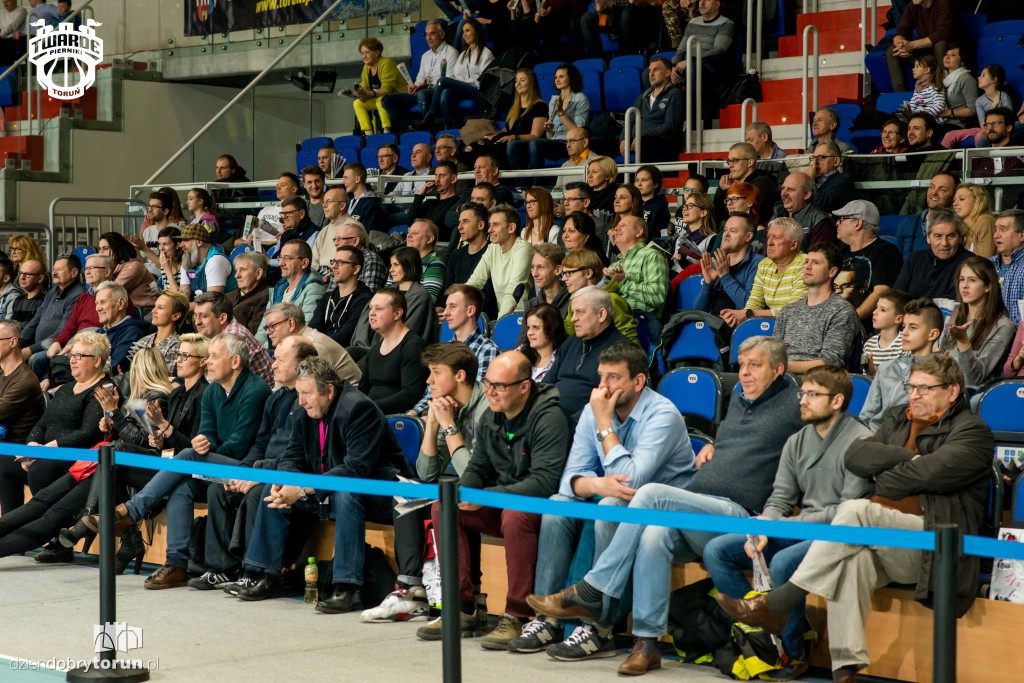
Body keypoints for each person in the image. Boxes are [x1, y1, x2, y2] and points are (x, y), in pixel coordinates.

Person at [528, 336, 802, 675]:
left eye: (755, 366)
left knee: (648, 494)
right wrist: (714, 447)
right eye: (742, 365)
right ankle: (647, 643)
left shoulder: (794, 404)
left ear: (779, 370)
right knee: (653, 534)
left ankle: (594, 589)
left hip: (737, 514)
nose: (744, 372)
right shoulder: (739, 399)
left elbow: (830, 426)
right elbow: (745, 444)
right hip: (697, 509)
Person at [717, 355, 992, 683]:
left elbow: (928, 474)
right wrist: (909, 458)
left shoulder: (972, 432)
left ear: (952, 391)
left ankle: (779, 602)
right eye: (911, 387)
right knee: (850, 563)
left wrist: (886, 474)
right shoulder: (897, 418)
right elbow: (857, 456)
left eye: (925, 388)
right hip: (881, 542)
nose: (915, 394)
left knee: (856, 509)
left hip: (932, 545)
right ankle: (845, 672)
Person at [513, 342, 695, 657]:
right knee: (557, 505)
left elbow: (632, 480)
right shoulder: (594, 408)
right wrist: (596, 483)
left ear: (638, 381)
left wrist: (604, 425)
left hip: (663, 513)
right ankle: (548, 618)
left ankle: (599, 628)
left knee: (610, 507)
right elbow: (570, 479)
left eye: (614, 378)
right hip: (617, 496)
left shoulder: (663, 414)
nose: (603, 387)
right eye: (601, 377)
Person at [702, 365, 873, 677]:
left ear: (837, 401)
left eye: (812, 395)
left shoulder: (861, 441)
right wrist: (766, 525)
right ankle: (764, 634)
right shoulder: (797, 440)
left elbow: (849, 510)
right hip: (799, 528)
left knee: (783, 562)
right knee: (717, 550)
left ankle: (793, 652)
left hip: (837, 534)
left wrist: (790, 524)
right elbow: (780, 497)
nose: (802, 401)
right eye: (802, 393)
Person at [81, 333, 272, 589]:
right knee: (182, 486)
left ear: (235, 361)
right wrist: (203, 444)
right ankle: (176, 564)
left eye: (215, 356)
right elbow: (206, 433)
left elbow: (239, 447)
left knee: (190, 456)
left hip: (245, 470)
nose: (208, 362)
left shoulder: (255, 390)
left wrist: (202, 451)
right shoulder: (213, 390)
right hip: (215, 468)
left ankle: (132, 510)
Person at [419, 350, 570, 647]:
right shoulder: (491, 415)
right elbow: (478, 468)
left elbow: (543, 483)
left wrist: (486, 497)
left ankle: (516, 615)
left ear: (524, 386)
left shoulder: (549, 417)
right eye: (487, 383)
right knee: (444, 507)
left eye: (499, 386)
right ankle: (463, 607)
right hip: (501, 500)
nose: (489, 391)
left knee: (515, 514)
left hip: (541, 507)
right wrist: (466, 492)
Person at [0, 349, 172, 564]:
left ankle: (91, 519)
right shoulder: (135, 398)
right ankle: (119, 533)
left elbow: (140, 443)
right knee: (40, 502)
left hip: (121, 469)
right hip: (100, 465)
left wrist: (115, 415)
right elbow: (124, 436)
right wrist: (110, 424)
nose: (128, 372)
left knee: (52, 513)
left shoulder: (157, 399)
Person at [186, 335, 314, 590]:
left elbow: (299, 454)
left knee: (258, 494)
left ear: (301, 365)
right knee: (219, 490)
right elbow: (260, 443)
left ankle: (255, 571)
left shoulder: (307, 402)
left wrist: (259, 473)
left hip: (287, 474)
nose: (273, 364)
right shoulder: (276, 399)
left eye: (280, 360)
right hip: (262, 469)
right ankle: (222, 569)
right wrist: (244, 471)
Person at [0, 333, 110, 516]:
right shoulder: (66, 388)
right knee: (3, 462)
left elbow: (88, 433)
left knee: (40, 469)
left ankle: (43, 524)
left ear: (97, 360)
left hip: (75, 456)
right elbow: (42, 423)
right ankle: (9, 523)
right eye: (71, 355)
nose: (72, 360)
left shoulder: (104, 390)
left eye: (79, 356)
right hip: (46, 452)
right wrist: (32, 446)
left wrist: (46, 450)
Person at [544, 287, 631, 428]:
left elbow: (609, 403)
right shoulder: (570, 344)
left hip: (584, 427)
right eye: (573, 312)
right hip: (549, 421)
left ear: (601, 314)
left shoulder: (621, 351)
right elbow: (546, 385)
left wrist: (563, 425)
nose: (573, 319)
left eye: (579, 312)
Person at [411, 284, 498, 415]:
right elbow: (430, 394)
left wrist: (435, 413)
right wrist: (413, 414)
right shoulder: (444, 349)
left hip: (462, 418)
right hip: (432, 413)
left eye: (452, 306)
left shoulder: (487, 350)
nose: (446, 313)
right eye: (446, 306)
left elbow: (477, 399)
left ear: (470, 311)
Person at [772, 243, 859, 374]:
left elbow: (830, 363)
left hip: (817, 380)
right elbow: (774, 353)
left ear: (832, 272)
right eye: (806, 261)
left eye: (816, 263)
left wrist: (781, 366)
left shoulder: (842, 311)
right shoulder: (788, 310)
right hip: (780, 376)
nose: (807, 267)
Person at [860, 297, 943, 432]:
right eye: (904, 327)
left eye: (913, 327)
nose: (904, 333)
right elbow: (866, 417)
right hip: (878, 437)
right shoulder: (887, 368)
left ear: (932, 334)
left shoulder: (943, 371)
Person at [940, 256, 1015, 388]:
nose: (964, 285)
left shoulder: (1003, 325)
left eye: (972, 280)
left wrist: (963, 342)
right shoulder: (954, 314)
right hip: (942, 386)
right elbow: (941, 358)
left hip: (972, 393)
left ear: (988, 287)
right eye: (961, 279)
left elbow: (974, 379)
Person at [509, 63, 588, 187]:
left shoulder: (580, 98)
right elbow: (550, 136)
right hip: (554, 142)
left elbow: (578, 132)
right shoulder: (554, 100)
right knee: (513, 145)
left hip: (569, 143)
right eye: (556, 77)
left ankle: (537, 186)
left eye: (561, 76)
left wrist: (561, 113)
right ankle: (521, 187)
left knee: (535, 143)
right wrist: (549, 130)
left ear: (571, 78)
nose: (557, 80)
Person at [721, 217, 808, 327]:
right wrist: (738, 317)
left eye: (776, 237)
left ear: (793, 245)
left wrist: (748, 314)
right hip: (770, 327)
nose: (769, 243)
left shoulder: (806, 265)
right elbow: (754, 303)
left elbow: (794, 311)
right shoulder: (765, 264)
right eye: (768, 237)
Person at [357, 289, 429, 414]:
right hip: (371, 416)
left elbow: (411, 395)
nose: (371, 313)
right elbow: (362, 390)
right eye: (371, 308)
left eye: (379, 309)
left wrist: (370, 408)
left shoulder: (414, 347)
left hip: (396, 419)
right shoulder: (374, 350)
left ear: (397, 314)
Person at [833, 199, 905, 325]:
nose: (837, 223)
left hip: (863, 326)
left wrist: (851, 320)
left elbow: (881, 291)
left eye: (842, 219)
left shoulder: (886, 252)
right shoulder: (840, 253)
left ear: (858, 223)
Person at [0, 321, 46, 513]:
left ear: (12, 342)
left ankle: (9, 525)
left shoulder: (24, 381)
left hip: (18, 452)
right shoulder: (2, 374)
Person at [380, 20, 459, 133]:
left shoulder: (451, 52)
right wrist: (414, 86)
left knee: (422, 93)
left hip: (438, 91)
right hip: (423, 91)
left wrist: (425, 86)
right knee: (386, 101)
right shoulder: (425, 56)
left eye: (432, 34)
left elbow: (449, 80)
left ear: (442, 35)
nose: (428, 38)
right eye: (426, 34)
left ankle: (429, 129)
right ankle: (412, 129)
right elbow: (420, 79)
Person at [261, 302, 362, 387]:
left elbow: (310, 389)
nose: (267, 332)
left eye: (272, 326)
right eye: (266, 328)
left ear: (291, 324)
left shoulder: (313, 346)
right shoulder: (290, 346)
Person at [464, 68, 546, 169]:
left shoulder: (539, 106)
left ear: (532, 83)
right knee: (470, 148)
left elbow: (535, 135)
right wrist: (494, 135)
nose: (518, 84)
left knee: (489, 150)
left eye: (522, 80)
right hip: (508, 140)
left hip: (521, 144)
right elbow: (509, 129)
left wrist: (515, 137)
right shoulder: (514, 107)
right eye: (516, 81)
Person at [420, 18, 494, 129]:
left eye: (468, 31)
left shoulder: (486, 53)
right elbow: (456, 74)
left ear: (477, 31)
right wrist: (460, 82)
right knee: (446, 92)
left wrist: (462, 81)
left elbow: (481, 81)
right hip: (464, 88)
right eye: (463, 32)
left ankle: (431, 114)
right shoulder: (463, 54)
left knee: (442, 80)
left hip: (478, 91)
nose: (465, 35)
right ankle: (448, 127)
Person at [668, 0, 735, 121]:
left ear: (717, 4)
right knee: (656, 72)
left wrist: (691, 60)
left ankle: (697, 119)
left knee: (693, 69)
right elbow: (681, 50)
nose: (702, 3)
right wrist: (672, 66)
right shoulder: (693, 22)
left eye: (707, 0)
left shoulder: (726, 23)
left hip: (711, 67)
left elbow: (718, 50)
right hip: (689, 65)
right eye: (700, 0)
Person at [465, 205, 534, 319]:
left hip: (523, 316)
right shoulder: (492, 248)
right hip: (504, 316)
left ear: (511, 228)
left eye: (496, 225)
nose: (489, 230)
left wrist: (499, 323)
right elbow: (475, 281)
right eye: (490, 225)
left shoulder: (523, 248)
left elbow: (513, 289)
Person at [193, 292, 275, 386]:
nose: (197, 322)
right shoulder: (223, 333)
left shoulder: (233, 338)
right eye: (195, 316)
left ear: (222, 318)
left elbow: (217, 383)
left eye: (203, 316)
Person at [254, 239, 325, 347]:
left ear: (304, 263)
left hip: (293, 349)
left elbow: (306, 331)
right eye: (280, 258)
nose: (281, 263)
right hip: (272, 348)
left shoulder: (313, 289)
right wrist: (255, 348)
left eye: (287, 258)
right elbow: (263, 330)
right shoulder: (278, 289)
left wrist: (265, 348)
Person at [694, 212, 764, 316]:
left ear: (748, 237)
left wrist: (725, 276)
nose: (726, 235)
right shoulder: (717, 263)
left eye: (733, 231)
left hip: (738, 325)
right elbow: (699, 311)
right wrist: (708, 283)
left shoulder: (759, 264)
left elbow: (749, 307)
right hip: (712, 323)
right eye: (725, 230)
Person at [561, 250, 638, 344]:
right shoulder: (575, 300)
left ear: (588, 273)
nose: (564, 278)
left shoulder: (612, 300)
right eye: (563, 274)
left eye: (569, 273)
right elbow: (571, 334)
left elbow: (629, 342)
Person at [892, 207, 971, 300]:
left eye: (950, 236)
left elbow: (950, 303)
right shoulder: (914, 259)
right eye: (938, 236)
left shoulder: (969, 263)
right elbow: (896, 297)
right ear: (928, 238)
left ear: (960, 238)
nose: (944, 243)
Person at [18, 254, 83, 361]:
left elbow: (63, 330)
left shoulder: (79, 295)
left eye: (59, 269)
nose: (54, 273)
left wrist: (31, 350)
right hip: (38, 346)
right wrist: (18, 342)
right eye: (53, 269)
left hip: (57, 347)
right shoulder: (52, 292)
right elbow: (34, 322)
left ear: (74, 273)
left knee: (35, 359)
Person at [619, 58, 683, 163]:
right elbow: (630, 121)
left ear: (667, 73)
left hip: (661, 140)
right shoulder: (643, 97)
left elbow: (670, 125)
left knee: (644, 143)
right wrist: (623, 139)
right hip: (639, 138)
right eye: (650, 70)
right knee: (601, 144)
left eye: (656, 70)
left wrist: (642, 135)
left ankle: (644, 173)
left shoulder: (674, 94)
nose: (651, 74)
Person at [605, 215, 668, 321]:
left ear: (638, 232)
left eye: (623, 225)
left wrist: (623, 283)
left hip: (639, 322)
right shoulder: (613, 265)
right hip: (611, 320)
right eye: (617, 226)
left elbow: (657, 296)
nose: (616, 229)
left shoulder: (651, 256)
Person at [309, 245, 373, 348]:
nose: (334, 266)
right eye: (333, 262)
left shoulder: (364, 299)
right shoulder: (327, 297)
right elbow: (313, 328)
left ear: (356, 269)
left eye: (340, 262)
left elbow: (346, 335)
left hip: (342, 352)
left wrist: (319, 346)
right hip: (318, 348)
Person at [886, 0, 953, 93]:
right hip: (926, 53)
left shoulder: (944, 3)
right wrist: (900, 44)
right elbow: (901, 30)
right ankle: (900, 95)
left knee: (940, 45)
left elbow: (943, 33)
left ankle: (946, 92)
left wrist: (912, 45)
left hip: (948, 51)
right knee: (893, 51)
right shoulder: (912, 6)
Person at [714, 142, 778, 226]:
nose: (730, 165)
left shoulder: (763, 183)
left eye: (735, 160)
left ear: (750, 162)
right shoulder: (735, 185)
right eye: (729, 161)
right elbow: (717, 214)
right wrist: (722, 189)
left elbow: (743, 214)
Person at [895, 171, 957, 258]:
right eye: (931, 187)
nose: (934, 192)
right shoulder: (907, 224)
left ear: (954, 196)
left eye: (942, 190)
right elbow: (897, 260)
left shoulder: (959, 226)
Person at [126, 290, 187, 372]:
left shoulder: (177, 345)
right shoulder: (143, 341)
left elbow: (165, 377)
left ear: (175, 316)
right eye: (155, 306)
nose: (153, 311)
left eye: (160, 308)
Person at [772, 172, 836, 249]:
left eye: (790, 189)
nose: (783, 193)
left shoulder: (819, 222)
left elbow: (818, 255)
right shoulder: (777, 213)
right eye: (783, 188)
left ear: (806, 194)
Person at [92, 281, 144, 376]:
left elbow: (113, 367)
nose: (97, 308)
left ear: (120, 303)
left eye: (103, 302)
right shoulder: (98, 332)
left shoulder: (131, 333)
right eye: (96, 303)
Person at [176, 224, 238, 302]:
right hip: (202, 306)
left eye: (186, 240)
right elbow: (184, 294)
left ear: (199, 242)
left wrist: (184, 307)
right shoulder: (187, 259)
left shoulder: (216, 261)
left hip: (226, 308)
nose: (181, 245)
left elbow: (212, 301)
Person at [351, 37, 400, 134]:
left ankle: (387, 131)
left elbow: (387, 90)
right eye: (362, 53)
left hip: (398, 97)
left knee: (381, 100)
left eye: (367, 52)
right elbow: (364, 88)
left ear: (377, 53)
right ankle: (368, 133)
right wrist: (354, 92)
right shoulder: (366, 67)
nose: (364, 56)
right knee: (357, 103)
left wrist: (370, 94)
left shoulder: (387, 63)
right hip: (378, 98)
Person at [98, 232, 159, 309]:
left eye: (105, 248)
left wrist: (109, 266)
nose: (101, 253)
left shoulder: (133, 267)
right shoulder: (116, 266)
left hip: (146, 310)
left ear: (116, 249)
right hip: (132, 310)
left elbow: (108, 293)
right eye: (100, 249)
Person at [410, 163, 462, 254]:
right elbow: (410, 221)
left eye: (441, 176)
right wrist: (420, 196)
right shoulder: (429, 202)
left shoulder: (458, 202)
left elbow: (439, 225)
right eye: (436, 176)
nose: (437, 180)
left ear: (453, 179)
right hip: (420, 248)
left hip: (440, 249)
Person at [442, 202, 491, 298]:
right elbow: (447, 290)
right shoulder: (456, 255)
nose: (459, 227)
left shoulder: (493, 253)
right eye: (459, 222)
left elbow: (489, 294)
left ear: (481, 225)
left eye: (465, 221)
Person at [861, 290, 911, 377]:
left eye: (883, 310)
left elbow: (902, 379)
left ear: (898, 319)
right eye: (876, 307)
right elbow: (865, 377)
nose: (874, 312)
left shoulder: (905, 344)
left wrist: (875, 374)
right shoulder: (869, 344)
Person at [991, 209, 1024, 327]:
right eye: (995, 229)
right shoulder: (989, 264)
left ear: (1021, 235)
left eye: (1003, 229)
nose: (996, 235)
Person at [671, 191, 717, 273]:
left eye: (690, 206)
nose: (684, 209)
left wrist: (684, 263)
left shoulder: (712, 239)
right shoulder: (679, 238)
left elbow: (711, 271)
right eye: (684, 206)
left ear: (703, 212)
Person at [226, 250, 270, 335]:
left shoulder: (266, 297)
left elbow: (251, 333)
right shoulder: (229, 295)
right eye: (236, 270)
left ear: (258, 273)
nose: (236, 275)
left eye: (243, 270)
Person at [970, 108, 1024, 177]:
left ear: (1008, 127)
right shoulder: (980, 156)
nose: (990, 128)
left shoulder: (1017, 155)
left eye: (996, 123)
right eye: (987, 124)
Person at [404, 219, 447, 304]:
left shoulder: (435, 263)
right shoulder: (401, 261)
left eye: (415, 233)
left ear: (430, 239)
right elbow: (386, 291)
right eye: (409, 232)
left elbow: (428, 300)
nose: (408, 235)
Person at [311, 187, 351, 278]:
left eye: (329, 202)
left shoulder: (352, 229)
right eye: (323, 202)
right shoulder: (324, 230)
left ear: (342, 206)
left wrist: (329, 277)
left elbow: (349, 264)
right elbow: (313, 263)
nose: (324, 205)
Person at [805, 140, 855, 214]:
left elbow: (819, 205)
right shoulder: (816, 180)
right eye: (814, 158)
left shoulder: (843, 181)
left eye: (821, 157)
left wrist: (809, 180)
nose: (815, 163)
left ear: (836, 161)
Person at [520, 303, 567, 381]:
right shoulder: (520, 351)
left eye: (536, 327)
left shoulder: (563, 360)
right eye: (528, 328)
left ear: (551, 329)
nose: (529, 333)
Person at [937, 43, 978, 128]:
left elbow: (973, 111)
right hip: (939, 122)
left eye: (953, 55)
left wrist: (948, 112)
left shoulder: (966, 79)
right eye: (946, 54)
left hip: (956, 125)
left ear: (962, 61)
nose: (947, 57)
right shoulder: (941, 77)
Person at [522, 243, 568, 318]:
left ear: (558, 270)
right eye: (532, 267)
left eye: (540, 267)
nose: (534, 274)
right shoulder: (531, 306)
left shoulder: (573, 303)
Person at [951, 183, 996, 258]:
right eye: (954, 200)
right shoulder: (967, 230)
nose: (955, 204)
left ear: (977, 201)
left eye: (961, 199)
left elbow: (984, 260)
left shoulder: (985, 221)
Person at [342, 162, 387, 233]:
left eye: (346, 178)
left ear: (357, 179)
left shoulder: (371, 205)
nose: (343, 181)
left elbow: (368, 233)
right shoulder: (350, 202)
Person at [900, 53, 946, 123]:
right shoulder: (918, 87)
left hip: (932, 121)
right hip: (919, 119)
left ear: (927, 70)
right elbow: (913, 103)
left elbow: (940, 106)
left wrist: (923, 117)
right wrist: (907, 115)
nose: (913, 69)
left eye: (917, 66)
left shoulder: (935, 86)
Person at [3, 258, 47, 324]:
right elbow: (14, 325)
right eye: (20, 273)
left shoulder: (46, 300)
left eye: (27, 274)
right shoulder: (18, 300)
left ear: (40, 278)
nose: (22, 277)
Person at [745, 120, 789, 185]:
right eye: (747, 141)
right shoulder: (750, 160)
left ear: (764, 137)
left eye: (751, 140)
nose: (748, 144)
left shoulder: (784, 160)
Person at [552, 129, 593, 194]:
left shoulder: (595, 162)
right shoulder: (565, 165)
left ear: (585, 142)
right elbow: (557, 191)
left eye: (572, 141)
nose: (567, 146)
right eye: (566, 142)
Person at [635, 165, 669, 239]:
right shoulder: (632, 203)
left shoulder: (660, 207)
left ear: (655, 184)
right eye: (637, 180)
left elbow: (659, 234)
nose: (639, 184)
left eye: (644, 180)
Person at [154, 227, 183, 293]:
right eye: (159, 244)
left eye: (165, 244)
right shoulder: (165, 264)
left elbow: (179, 295)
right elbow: (167, 291)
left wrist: (167, 270)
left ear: (177, 245)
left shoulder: (185, 265)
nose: (161, 248)